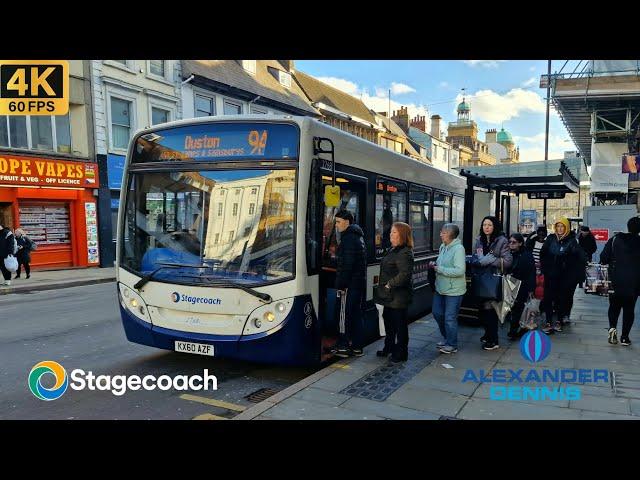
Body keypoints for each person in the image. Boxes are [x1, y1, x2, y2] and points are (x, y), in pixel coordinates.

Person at [539, 217, 587, 333]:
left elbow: (580, 257)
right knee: (548, 298)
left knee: (561, 298)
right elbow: (543, 254)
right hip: (550, 274)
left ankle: (559, 321)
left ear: (566, 228)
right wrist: (546, 268)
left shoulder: (571, 241)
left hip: (564, 275)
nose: (560, 229)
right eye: (558, 226)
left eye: (562, 226)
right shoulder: (550, 239)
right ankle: (549, 321)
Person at [376, 222, 414, 362]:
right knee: (389, 324)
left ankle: (402, 353)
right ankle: (389, 347)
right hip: (389, 296)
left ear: (402, 235)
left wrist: (389, 284)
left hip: (398, 297)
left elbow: (405, 275)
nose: (391, 235)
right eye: (391, 232)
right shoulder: (393, 249)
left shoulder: (404, 252)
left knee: (400, 326)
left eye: (394, 232)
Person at [474, 216, 513, 351]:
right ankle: (487, 333)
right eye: (484, 224)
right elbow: (476, 256)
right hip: (481, 279)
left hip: (493, 279)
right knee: (482, 310)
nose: (486, 227)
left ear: (495, 226)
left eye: (489, 225)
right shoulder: (479, 239)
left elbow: (507, 261)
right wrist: (479, 260)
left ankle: (493, 340)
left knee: (490, 309)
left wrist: (490, 260)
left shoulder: (502, 241)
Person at [600, 216, 640, 346]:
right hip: (634, 282)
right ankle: (625, 337)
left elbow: (604, 258)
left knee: (614, 307)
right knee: (629, 309)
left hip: (615, 280)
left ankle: (612, 330)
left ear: (628, 226)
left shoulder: (615, 239)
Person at [333, 210, 367, 358]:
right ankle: (357, 346)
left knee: (343, 315)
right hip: (357, 283)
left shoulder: (348, 239)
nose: (336, 225)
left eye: (338, 222)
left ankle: (343, 345)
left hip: (349, 285)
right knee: (356, 315)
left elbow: (347, 266)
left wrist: (341, 285)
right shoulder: (357, 237)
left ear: (347, 222)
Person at [430, 223, 466, 354]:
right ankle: (447, 337)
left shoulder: (458, 249)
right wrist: (435, 264)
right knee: (437, 313)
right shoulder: (443, 247)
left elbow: (460, 271)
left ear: (451, 234)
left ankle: (452, 344)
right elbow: (441, 263)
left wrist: (440, 269)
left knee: (450, 318)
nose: (440, 234)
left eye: (443, 233)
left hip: (454, 290)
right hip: (440, 288)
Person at [506, 233, 536, 340]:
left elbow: (531, 272)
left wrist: (531, 289)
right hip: (511, 284)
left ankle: (514, 330)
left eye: (514, 242)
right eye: (510, 242)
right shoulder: (509, 254)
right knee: (513, 308)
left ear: (520, 243)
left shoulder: (527, 255)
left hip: (523, 286)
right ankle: (515, 329)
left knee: (518, 308)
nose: (511, 244)